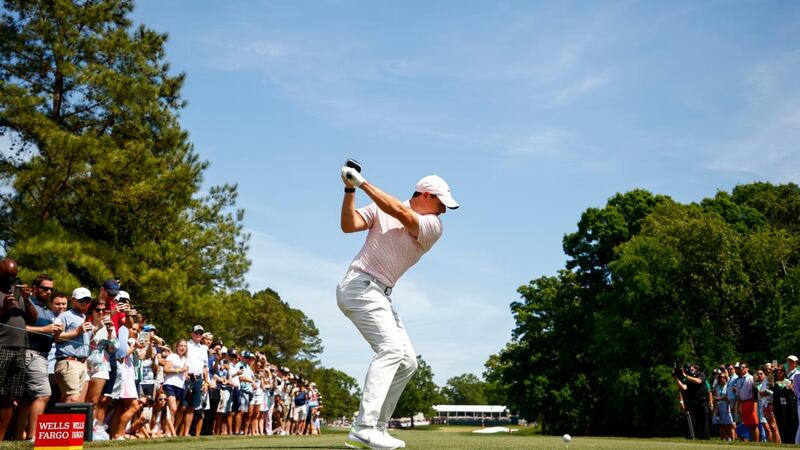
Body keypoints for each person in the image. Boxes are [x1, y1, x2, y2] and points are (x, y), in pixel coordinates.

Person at [337, 163, 459, 450]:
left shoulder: (432, 226)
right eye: (441, 204)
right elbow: (348, 225)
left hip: (379, 293)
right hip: (359, 286)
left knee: (407, 362)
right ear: (426, 195)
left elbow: (400, 212)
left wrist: (362, 182)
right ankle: (364, 427)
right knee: (391, 350)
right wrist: (349, 190)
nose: (443, 211)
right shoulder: (384, 206)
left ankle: (376, 428)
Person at [15, 274, 60, 440]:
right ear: (35, 288)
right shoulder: (26, 303)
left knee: (27, 399)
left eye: (51, 289)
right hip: (31, 353)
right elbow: (19, 328)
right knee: (43, 395)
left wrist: (55, 332)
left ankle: (19, 437)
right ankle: (32, 437)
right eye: (44, 288)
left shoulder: (47, 308)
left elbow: (49, 331)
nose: (48, 291)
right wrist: (45, 330)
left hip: (42, 355)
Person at [0, 258, 38, 440]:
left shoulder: (17, 292)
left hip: (20, 349)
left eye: (14, 276)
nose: (11, 279)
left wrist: (27, 300)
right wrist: (4, 309)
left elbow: (33, 319)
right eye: (7, 276)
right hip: (1, 347)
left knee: (9, 397)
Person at [54, 287, 94, 403]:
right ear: (73, 300)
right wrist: (77, 331)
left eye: (88, 300)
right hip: (68, 361)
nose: (85, 303)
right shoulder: (64, 316)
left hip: (81, 363)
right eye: (82, 300)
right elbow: (56, 338)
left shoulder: (85, 317)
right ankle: (67, 422)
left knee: (75, 401)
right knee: (73, 399)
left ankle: (66, 421)